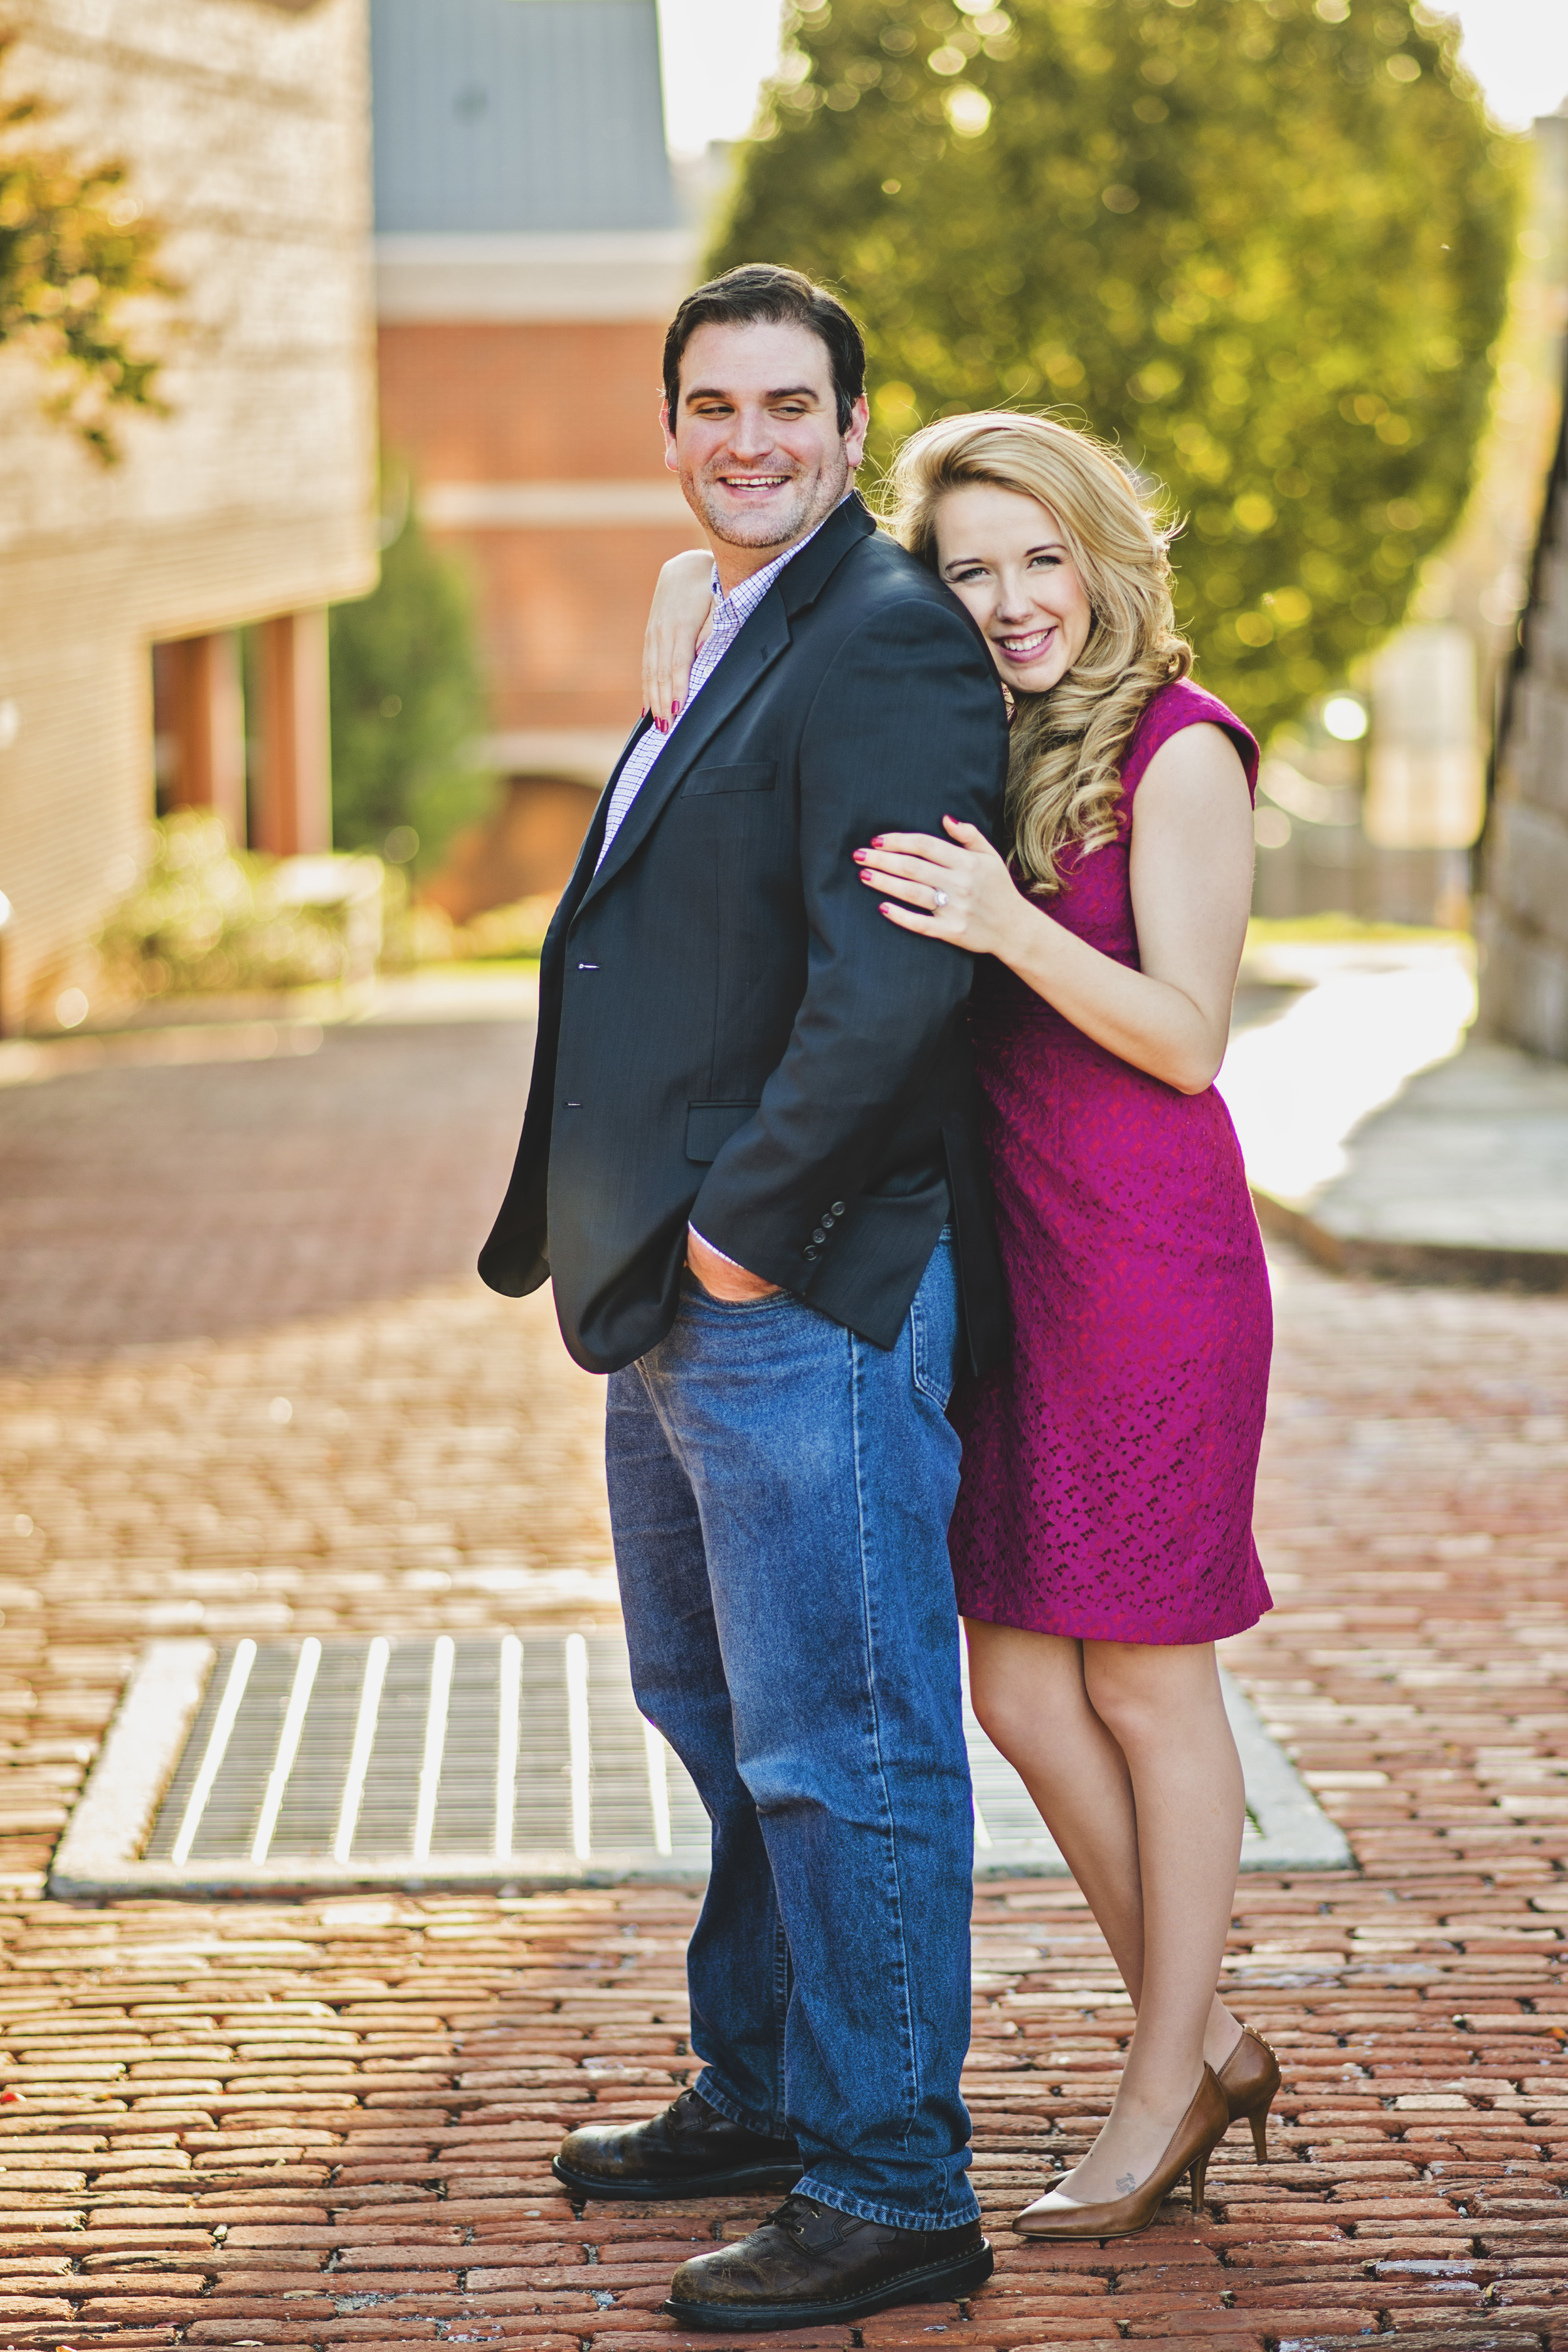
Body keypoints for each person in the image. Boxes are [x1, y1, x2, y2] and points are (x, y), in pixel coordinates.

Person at [642, 408, 1280, 2244]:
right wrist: (696, 595)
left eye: (1038, 560)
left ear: (1101, 556)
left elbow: (1180, 1037)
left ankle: (1161, 2079)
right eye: (971, 569)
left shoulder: (1177, 752)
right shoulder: (990, 736)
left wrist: (1003, 922)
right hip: (1011, 1267)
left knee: (1149, 1678)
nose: (1008, 602)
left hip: (1147, 1271)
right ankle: (1207, 2029)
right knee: (1011, 1681)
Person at [479, 268, 1010, 2330]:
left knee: (847, 1740)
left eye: (791, 403)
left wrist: (740, 1237)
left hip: (798, 1291)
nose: (750, 437)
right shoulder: (723, 628)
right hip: (675, 1294)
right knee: (719, 1715)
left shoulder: (880, 638)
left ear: (855, 429)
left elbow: (893, 987)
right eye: (713, 404)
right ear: (674, 425)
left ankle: (892, 2184)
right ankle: (770, 2084)